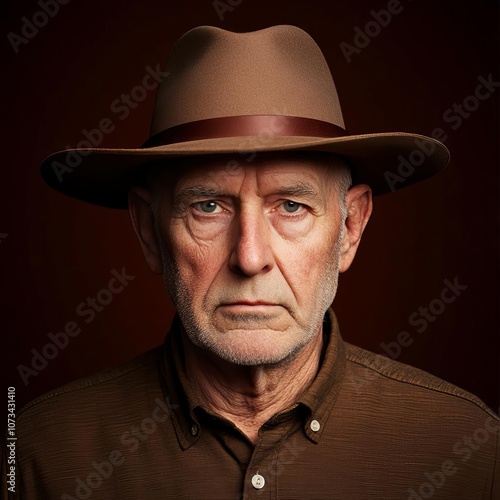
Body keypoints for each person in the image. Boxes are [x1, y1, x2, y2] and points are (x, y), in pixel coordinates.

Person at [7, 25, 498, 499]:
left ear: (350, 228)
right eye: (208, 206)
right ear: (149, 231)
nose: (250, 257)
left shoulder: (470, 450)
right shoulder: (33, 455)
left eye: (291, 206)